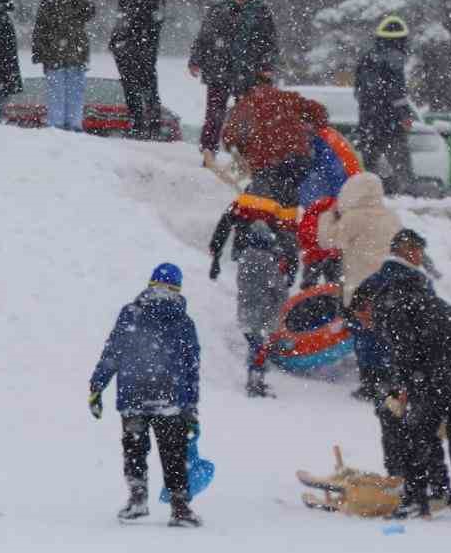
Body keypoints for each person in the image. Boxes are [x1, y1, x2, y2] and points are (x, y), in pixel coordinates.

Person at [352, 230, 451, 517]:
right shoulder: (413, 284)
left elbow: (364, 329)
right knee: (417, 426)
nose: (419, 256)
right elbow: (423, 334)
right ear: (406, 250)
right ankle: (429, 485)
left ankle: (406, 482)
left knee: (401, 425)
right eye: (417, 250)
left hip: (399, 367)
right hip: (411, 367)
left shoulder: (381, 282)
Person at [88, 263, 203, 526]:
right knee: (174, 453)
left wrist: (97, 386)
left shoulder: (130, 314)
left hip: (134, 395)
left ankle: (137, 500)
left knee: (134, 449)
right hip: (170, 398)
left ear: (150, 284)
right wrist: (191, 407)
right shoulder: (184, 322)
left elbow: (113, 353)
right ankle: (180, 508)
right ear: (178, 288)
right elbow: (191, 368)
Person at [317, 171, 400, 396]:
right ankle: (390, 380)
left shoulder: (354, 218)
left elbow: (326, 240)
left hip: (361, 288)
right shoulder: (391, 216)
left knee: (365, 336)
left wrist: (329, 216)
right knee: (388, 334)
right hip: (390, 286)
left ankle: (371, 383)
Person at [209, 196, 298, 398]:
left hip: (246, 312)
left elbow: (224, 227)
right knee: (260, 348)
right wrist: (285, 293)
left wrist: (216, 255)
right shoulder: (268, 260)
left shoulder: (245, 259)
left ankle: (255, 380)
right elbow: (277, 287)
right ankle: (255, 383)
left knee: (256, 345)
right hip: (263, 314)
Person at [189, 0, 277, 165]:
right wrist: (195, 60)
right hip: (219, 68)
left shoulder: (261, 12)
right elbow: (204, 38)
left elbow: (269, 43)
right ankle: (209, 151)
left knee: (245, 116)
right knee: (214, 113)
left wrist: (267, 65)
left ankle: (244, 155)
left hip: (248, 72)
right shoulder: (218, 9)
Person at [221, 72, 325, 207]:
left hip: (267, 164)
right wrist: (309, 132)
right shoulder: (286, 97)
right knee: (286, 196)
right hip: (300, 160)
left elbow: (229, 138)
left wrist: (241, 150)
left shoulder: (244, 105)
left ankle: (273, 222)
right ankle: (288, 219)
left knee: (259, 204)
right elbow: (319, 111)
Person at [109, 0, 166, 140]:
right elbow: (122, 17)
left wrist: (140, 38)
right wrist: (116, 40)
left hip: (142, 45)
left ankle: (151, 124)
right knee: (130, 85)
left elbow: (155, 18)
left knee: (147, 84)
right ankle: (137, 122)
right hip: (126, 45)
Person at [353, 14, 414, 194]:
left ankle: (374, 195)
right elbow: (397, 93)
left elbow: (359, 91)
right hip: (391, 124)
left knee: (370, 168)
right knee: (401, 167)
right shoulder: (395, 58)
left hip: (368, 123)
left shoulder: (367, 58)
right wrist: (404, 115)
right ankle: (402, 196)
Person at [30, 0, 94, 131]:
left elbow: (89, 13)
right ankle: (56, 125)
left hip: (76, 51)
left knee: (76, 90)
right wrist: (39, 50)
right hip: (53, 52)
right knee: (56, 91)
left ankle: (74, 125)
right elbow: (40, 26)